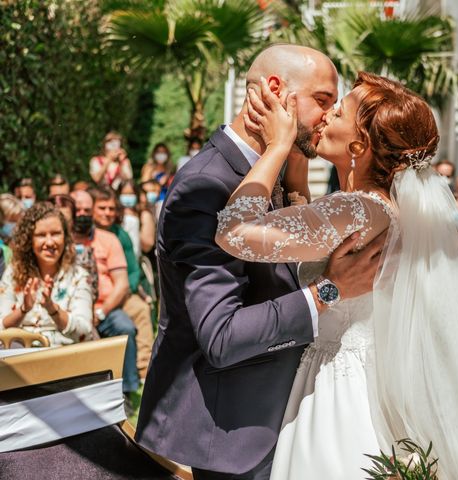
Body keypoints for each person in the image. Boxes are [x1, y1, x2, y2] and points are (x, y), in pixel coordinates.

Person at [215, 71, 458, 479]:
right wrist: (298, 169)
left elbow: (234, 232)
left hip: (341, 394)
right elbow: (309, 227)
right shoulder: (384, 207)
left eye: (337, 111)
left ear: (358, 145)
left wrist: (277, 147)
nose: (324, 116)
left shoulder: (357, 210)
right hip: (365, 377)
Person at [135, 45, 398, 480]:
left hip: (296, 416)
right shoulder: (206, 186)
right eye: (323, 99)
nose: (330, 115)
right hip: (234, 431)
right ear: (276, 92)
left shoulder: (271, 171)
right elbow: (221, 336)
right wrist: (328, 291)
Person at [70, 189, 139, 395]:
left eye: (87, 210)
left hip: (104, 308)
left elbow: (122, 284)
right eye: (78, 209)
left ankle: (126, 390)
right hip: (71, 309)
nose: (82, 214)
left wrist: (101, 313)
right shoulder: (62, 239)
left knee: (125, 327)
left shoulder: (108, 239)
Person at [0, 202, 93, 346]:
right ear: (29, 240)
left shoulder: (79, 276)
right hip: (20, 356)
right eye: (41, 235)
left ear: (65, 236)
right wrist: (23, 309)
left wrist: (52, 308)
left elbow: (84, 331)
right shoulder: (13, 274)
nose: (49, 242)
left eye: (55, 234)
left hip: (63, 356)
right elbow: (1, 326)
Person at [91, 186, 154, 379]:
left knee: (141, 310)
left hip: (121, 291)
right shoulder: (84, 234)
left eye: (111, 208)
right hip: (95, 294)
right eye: (102, 208)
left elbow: (133, 269)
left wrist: (128, 289)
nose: (107, 213)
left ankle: (144, 369)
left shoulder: (121, 234)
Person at [118, 180, 156, 259]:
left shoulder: (143, 214)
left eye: (131, 194)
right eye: (124, 194)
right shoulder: (114, 214)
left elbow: (147, 244)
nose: (128, 197)